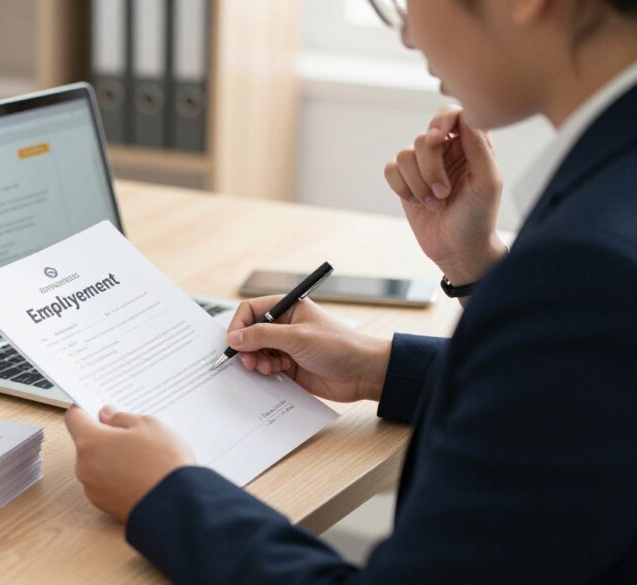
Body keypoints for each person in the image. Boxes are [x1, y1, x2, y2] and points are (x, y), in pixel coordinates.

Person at [64, 0, 637, 582]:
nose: (409, 34)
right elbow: (583, 398)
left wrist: (165, 495)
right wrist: (383, 362)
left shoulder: (589, 270)